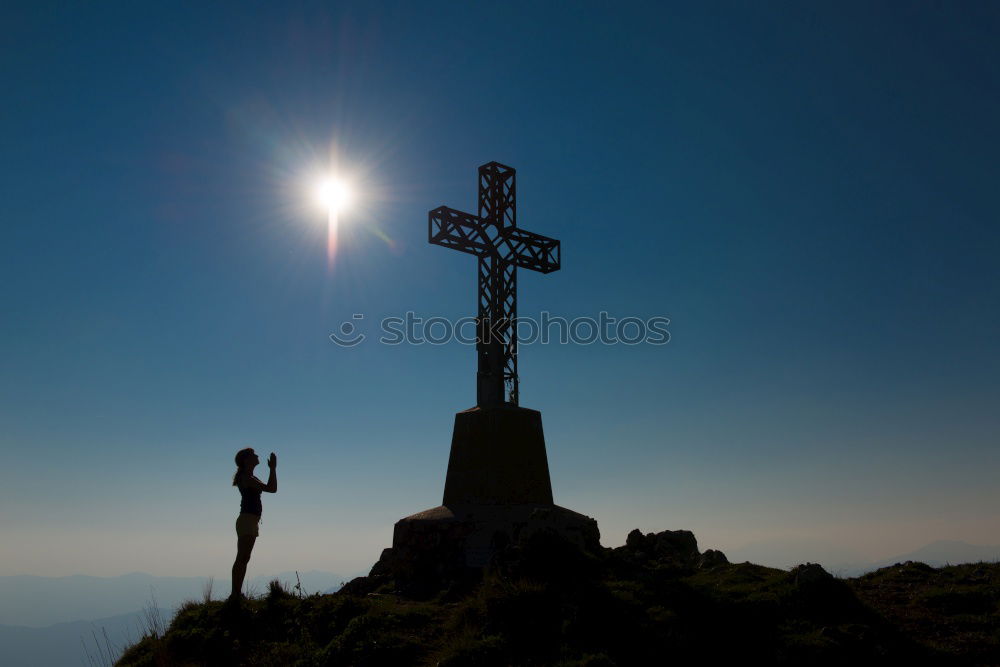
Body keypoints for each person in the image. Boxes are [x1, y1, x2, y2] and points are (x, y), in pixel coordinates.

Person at [230, 447, 277, 601]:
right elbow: (271, 488)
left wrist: (272, 469)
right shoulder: (247, 478)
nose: (257, 455)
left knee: (244, 558)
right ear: (246, 460)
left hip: (249, 520)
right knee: (242, 558)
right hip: (247, 520)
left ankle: (236, 593)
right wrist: (273, 469)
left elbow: (272, 489)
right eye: (253, 455)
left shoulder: (249, 477)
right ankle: (235, 594)